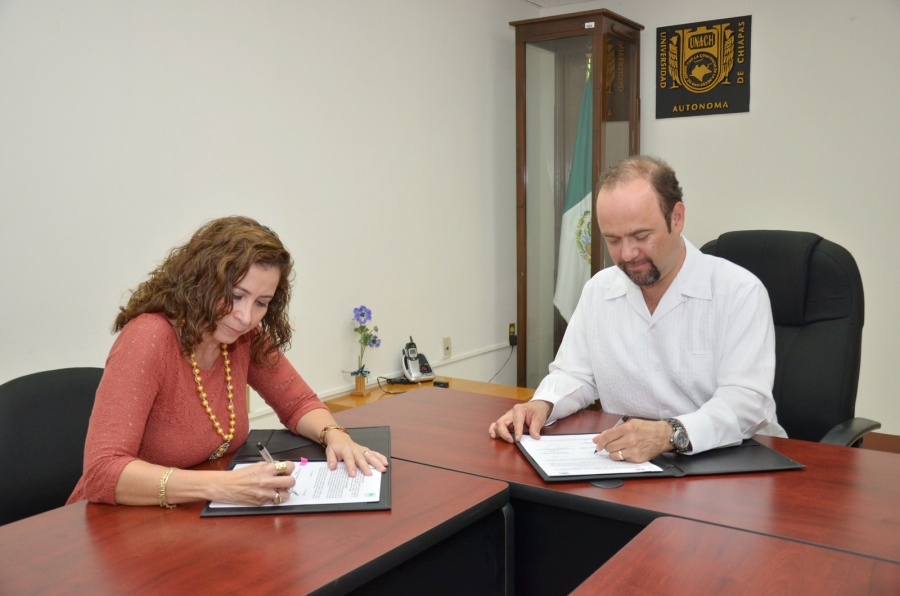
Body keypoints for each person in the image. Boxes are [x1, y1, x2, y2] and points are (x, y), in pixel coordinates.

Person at [67, 216, 388, 508]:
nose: (246, 316)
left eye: (261, 303)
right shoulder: (148, 337)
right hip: (112, 526)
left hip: (183, 518)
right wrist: (222, 485)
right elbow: (102, 474)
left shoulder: (241, 335)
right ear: (201, 281)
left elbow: (298, 402)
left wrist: (335, 435)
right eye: (236, 295)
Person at [489, 156, 786, 462]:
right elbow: (574, 374)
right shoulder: (599, 291)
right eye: (613, 240)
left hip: (737, 459)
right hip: (634, 460)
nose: (628, 254)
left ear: (677, 217)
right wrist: (542, 405)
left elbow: (746, 402)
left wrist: (668, 433)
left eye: (641, 236)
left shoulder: (738, 292)